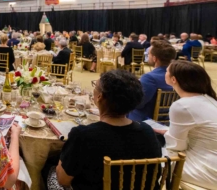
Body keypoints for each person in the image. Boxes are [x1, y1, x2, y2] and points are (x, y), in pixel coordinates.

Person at [44, 70, 162, 190]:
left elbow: (63, 180)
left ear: (99, 97)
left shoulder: (83, 135)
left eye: (95, 86)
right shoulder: (148, 132)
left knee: (46, 167)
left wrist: (63, 157)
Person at [153, 61, 217, 189]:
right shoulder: (209, 98)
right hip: (211, 160)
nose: (164, 72)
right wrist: (168, 132)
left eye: (167, 71)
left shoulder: (182, 105)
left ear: (173, 79)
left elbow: (177, 146)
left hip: (207, 169)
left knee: (151, 160)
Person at [128, 40, 176, 122]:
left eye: (148, 54)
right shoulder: (179, 76)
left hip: (146, 121)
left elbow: (138, 104)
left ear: (154, 58)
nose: (147, 56)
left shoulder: (150, 78)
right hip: (171, 119)